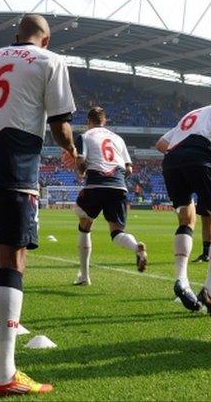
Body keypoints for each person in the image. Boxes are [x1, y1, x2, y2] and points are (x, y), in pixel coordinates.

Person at [0, 14, 76, 396]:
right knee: (13, 258)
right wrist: (71, 149)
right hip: (15, 165)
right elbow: (59, 123)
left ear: (15, 35)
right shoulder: (50, 61)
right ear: (46, 39)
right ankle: (5, 374)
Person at [156, 97, 211, 317]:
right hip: (199, 157)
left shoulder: (191, 115)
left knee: (186, 220)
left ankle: (182, 280)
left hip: (172, 162)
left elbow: (161, 144)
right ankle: (209, 292)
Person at [72, 106, 148, 286]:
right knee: (116, 233)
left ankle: (84, 276)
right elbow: (129, 168)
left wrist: (81, 172)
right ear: (104, 121)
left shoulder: (84, 136)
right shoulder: (118, 138)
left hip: (96, 183)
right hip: (119, 185)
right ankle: (136, 247)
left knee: (84, 223)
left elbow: (81, 159)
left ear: (88, 122)